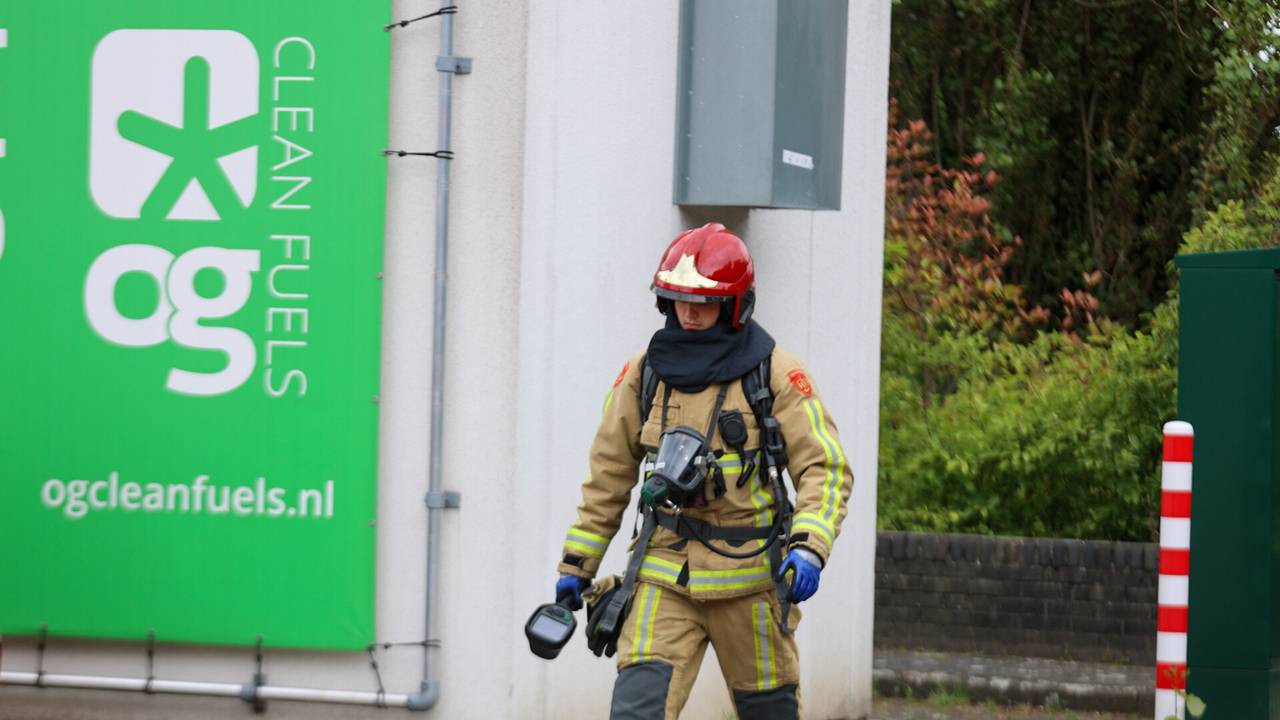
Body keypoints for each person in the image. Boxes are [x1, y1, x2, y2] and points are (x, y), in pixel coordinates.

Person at [554, 223, 854, 719]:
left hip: (751, 583)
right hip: (663, 576)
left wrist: (809, 547)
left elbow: (825, 467)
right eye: (679, 299)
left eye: (704, 302)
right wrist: (576, 566)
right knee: (636, 713)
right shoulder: (644, 374)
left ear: (735, 306)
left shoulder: (776, 373)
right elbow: (607, 477)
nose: (689, 313)